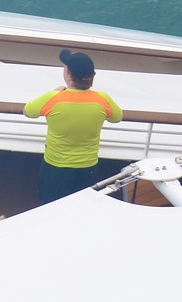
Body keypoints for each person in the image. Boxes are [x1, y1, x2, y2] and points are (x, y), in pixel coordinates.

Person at [24, 49, 123, 204]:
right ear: (92, 77)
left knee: (51, 205)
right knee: (80, 205)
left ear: (69, 76)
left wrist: (55, 92)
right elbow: (117, 118)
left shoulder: (54, 98)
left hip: (56, 166)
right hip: (88, 166)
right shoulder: (102, 99)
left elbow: (28, 111)